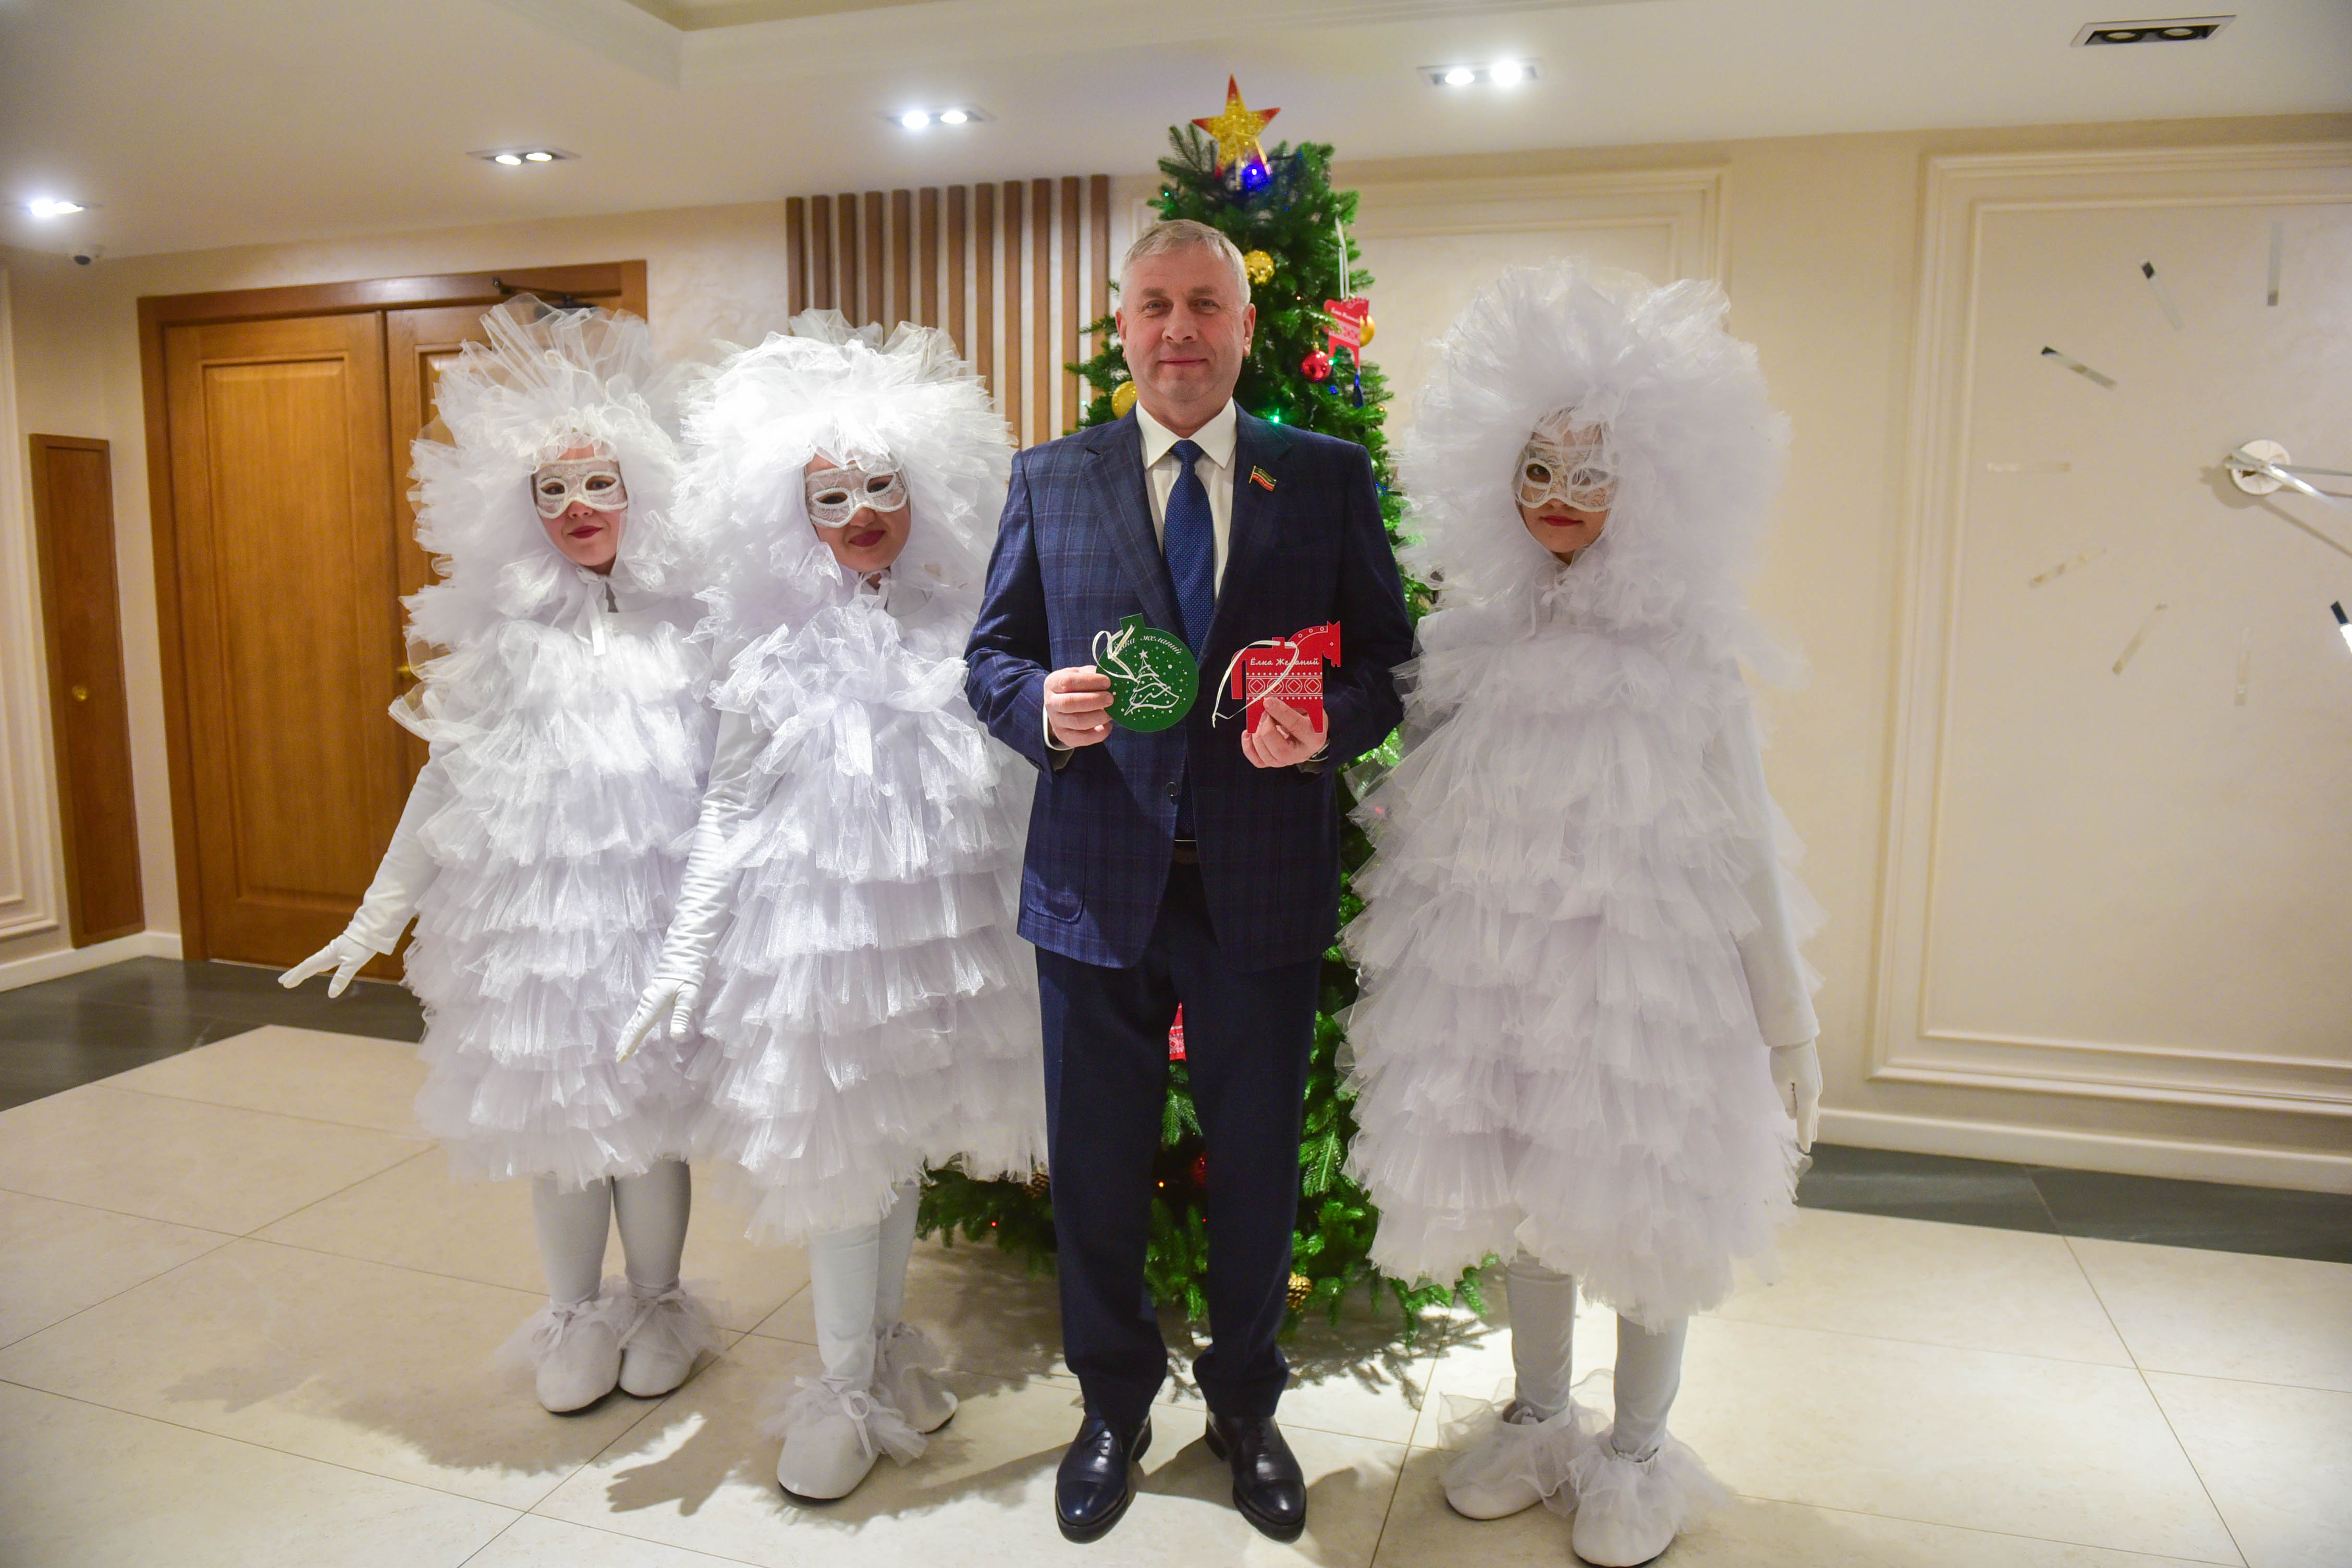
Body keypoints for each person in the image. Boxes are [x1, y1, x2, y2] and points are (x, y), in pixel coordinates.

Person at [1341, 263, 1824, 1567]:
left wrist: (1787, 1022)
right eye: (1537, 470)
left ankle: (1639, 1450)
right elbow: (1419, 794)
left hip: (1644, 984)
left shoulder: (1688, 658)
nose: (1559, 495)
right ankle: (1540, 1414)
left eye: (1592, 473)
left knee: (1646, 1206)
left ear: (1652, 483)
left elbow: (1745, 843)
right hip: (1498, 970)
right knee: (1525, 1193)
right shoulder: (1471, 639)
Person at [964, 219, 1414, 1545]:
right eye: (1154, 305)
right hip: (1094, 887)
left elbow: (1387, 662)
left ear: (1244, 326)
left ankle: (1246, 1409)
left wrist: (1325, 725)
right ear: (1124, 326)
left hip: (1259, 891)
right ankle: (1111, 1408)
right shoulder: (1052, 478)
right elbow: (990, 657)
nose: (1179, 330)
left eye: (1204, 305)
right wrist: (1038, 706)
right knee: (1097, 1172)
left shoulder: (1322, 478)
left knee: (1260, 1169)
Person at [618, 312, 1045, 1502]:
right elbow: (727, 804)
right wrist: (684, 954)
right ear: (790, 513)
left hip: (939, 948)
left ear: (922, 488)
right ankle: (842, 1385)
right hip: (818, 953)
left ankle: (880, 1356)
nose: (860, 512)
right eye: (831, 496)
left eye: (880, 486)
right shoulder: (769, 651)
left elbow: (1011, 784)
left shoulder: (963, 626)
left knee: (895, 1153)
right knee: (846, 1160)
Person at [280, 298, 722, 1415]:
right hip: (537, 925)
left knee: (651, 1125)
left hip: (656, 916)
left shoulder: (689, 631)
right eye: (553, 489)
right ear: (520, 509)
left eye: (600, 482)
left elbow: (736, 784)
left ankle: (658, 1303)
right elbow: (447, 780)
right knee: (558, 1119)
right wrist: (378, 913)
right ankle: (575, 1312)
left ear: (641, 488)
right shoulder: (503, 643)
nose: (579, 507)